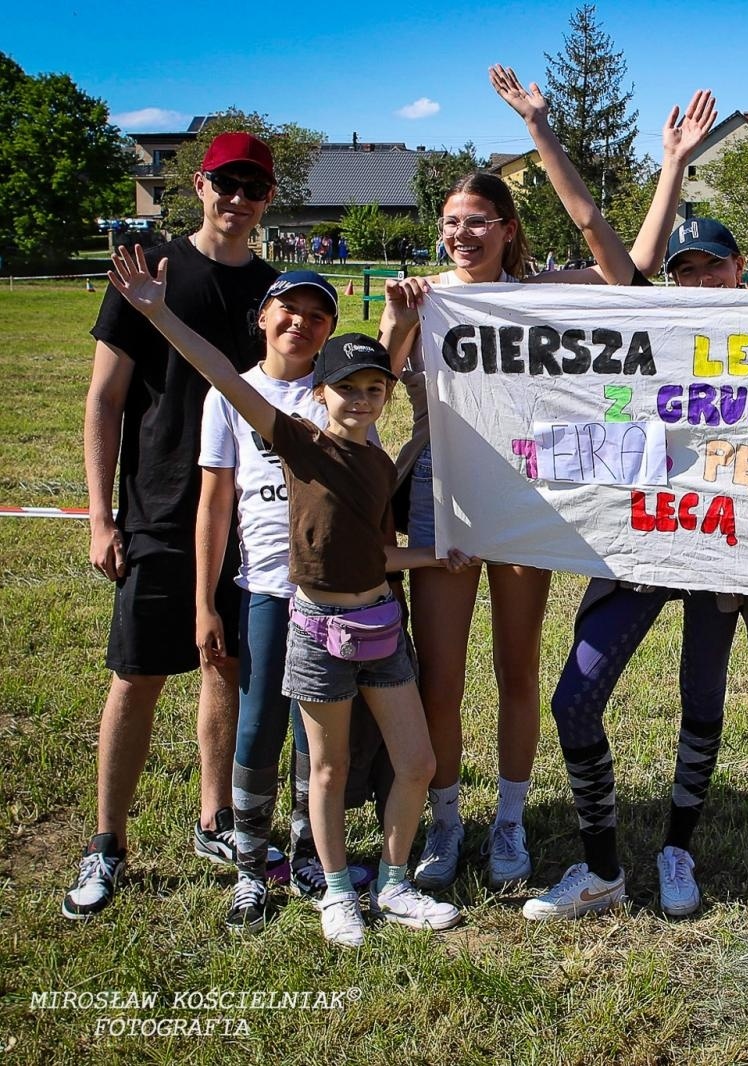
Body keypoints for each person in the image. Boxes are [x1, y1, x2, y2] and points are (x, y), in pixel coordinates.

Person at [378, 68, 717, 892]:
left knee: (518, 668)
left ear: (506, 228)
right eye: (451, 223)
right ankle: (449, 822)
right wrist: (397, 320)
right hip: (441, 498)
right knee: (442, 674)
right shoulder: (424, 301)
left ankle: (510, 823)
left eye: (478, 222)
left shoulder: (535, 299)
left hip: (527, 498)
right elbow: (378, 387)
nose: (462, 235)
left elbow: (622, 262)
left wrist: (559, 132)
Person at [105, 244, 479, 947]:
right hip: (305, 619)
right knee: (291, 748)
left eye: (376, 390)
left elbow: (377, 548)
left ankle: (383, 880)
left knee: (408, 762)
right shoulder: (301, 441)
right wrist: (158, 316)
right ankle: (296, 877)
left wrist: (439, 553)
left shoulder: (375, 460)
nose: (363, 399)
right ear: (320, 394)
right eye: (349, 388)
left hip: (380, 624)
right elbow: (220, 372)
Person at [521, 217, 748, 921]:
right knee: (575, 699)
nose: (697, 282)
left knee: (702, 696)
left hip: (728, 547)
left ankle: (678, 849)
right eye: (685, 270)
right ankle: (602, 869)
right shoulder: (649, 320)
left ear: (741, 267)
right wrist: (544, 129)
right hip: (648, 541)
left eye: (711, 267)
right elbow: (597, 234)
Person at [65, 132, 282, 921]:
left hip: (246, 518)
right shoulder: (149, 270)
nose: (239, 198)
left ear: (267, 199)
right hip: (159, 512)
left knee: (225, 664)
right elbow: (104, 400)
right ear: (199, 184)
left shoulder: (270, 290)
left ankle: (213, 818)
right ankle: (107, 844)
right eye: (227, 182)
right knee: (138, 675)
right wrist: (100, 516)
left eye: (254, 187)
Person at [196, 270, 354, 930]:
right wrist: (206, 601)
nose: (302, 322)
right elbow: (214, 502)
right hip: (264, 588)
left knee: (308, 731)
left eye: (319, 315)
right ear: (263, 316)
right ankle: (250, 868)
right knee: (258, 721)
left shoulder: (333, 394)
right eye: (290, 309)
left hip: (324, 593)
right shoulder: (232, 394)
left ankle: (305, 851)